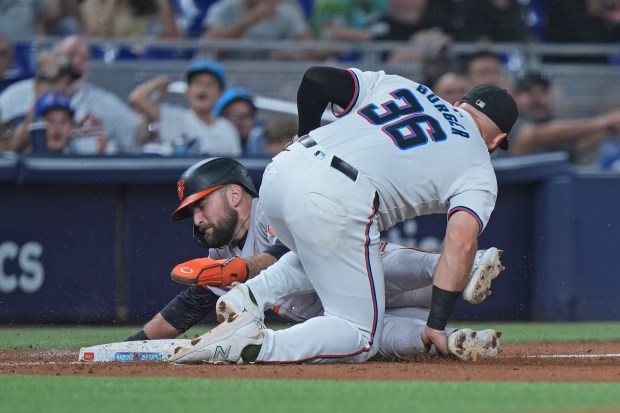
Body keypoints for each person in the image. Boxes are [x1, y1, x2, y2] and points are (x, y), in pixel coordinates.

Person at [170, 66, 517, 364]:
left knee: (316, 255)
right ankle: (252, 346)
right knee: (360, 335)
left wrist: (306, 133)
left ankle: (248, 296)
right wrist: (437, 325)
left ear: (459, 105)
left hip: (283, 169)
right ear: (496, 139)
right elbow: (459, 239)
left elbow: (316, 79)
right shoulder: (479, 166)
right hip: (340, 195)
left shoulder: (406, 87)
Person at [128, 157, 504, 361]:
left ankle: (471, 268)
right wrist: (130, 345)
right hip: (333, 311)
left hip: (366, 271)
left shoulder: (269, 210)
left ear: (234, 195)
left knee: (391, 266)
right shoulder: (221, 253)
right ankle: (458, 341)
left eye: (200, 205)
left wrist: (238, 272)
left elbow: (288, 254)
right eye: (189, 213)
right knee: (381, 338)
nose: (196, 220)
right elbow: (185, 310)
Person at [0, 36, 142, 154]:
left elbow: (138, 134)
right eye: (71, 55)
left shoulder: (103, 101)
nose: (78, 61)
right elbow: (10, 147)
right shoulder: (14, 96)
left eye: (84, 58)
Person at [129, 59, 242, 157]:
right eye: (198, 83)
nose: (203, 89)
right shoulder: (174, 117)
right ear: (187, 91)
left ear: (220, 94)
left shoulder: (227, 129)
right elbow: (137, 98)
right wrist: (159, 82)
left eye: (210, 85)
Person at [508, 71, 620, 165]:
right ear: (515, 96)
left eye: (543, 92)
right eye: (530, 93)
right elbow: (532, 136)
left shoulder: (551, 124)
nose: (539, 100)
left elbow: (570, 151)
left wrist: (608, 130)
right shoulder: (511, 121)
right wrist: (603, 122)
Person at [16, 90, 107, 155]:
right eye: (50, 121)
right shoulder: (23, 161)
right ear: (37, 125)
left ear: (71, 125)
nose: (57, 128)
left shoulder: (80, 161)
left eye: (64, 121)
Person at [212, 86, 268, 157]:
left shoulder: (263, 147)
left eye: (247, 116)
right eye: (233, 116)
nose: (240, 122)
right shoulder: (210, 150)